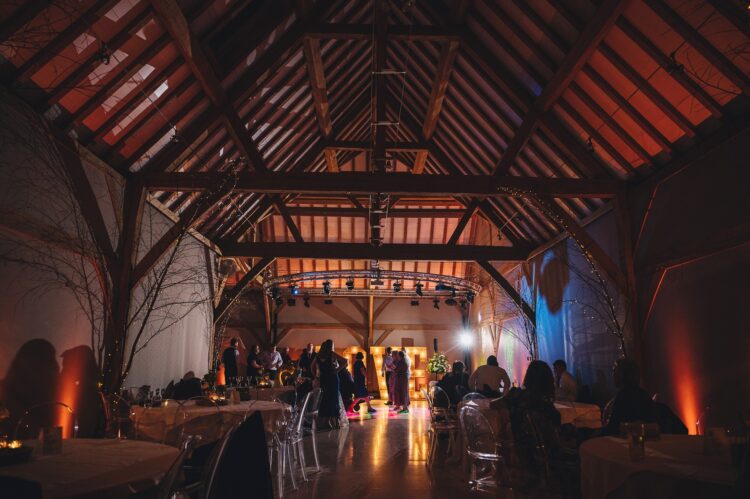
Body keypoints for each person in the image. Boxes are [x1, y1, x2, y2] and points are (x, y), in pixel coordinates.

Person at [496, 360, 562, 474]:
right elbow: (555, 430)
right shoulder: (545, 405)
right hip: (545, 451)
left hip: (522, 446)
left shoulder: (516, 395)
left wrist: (506, 414)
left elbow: (494, 404)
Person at [602, 358, 655, 435]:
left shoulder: (622, 397)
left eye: (615, 371)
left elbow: (612, 428)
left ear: (623, 374)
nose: (612, 374)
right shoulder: (644, 394)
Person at [311, 339, 348, 428]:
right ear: (330, 346)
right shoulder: (331, 354)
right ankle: (335, 422)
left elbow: (311, 366)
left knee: (326, 400)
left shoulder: (318, 356)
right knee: (333, 399)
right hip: (332, 379)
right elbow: (345, 361)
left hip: (324, 380)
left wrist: (316, 376)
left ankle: (329, 422)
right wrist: (337, 370)